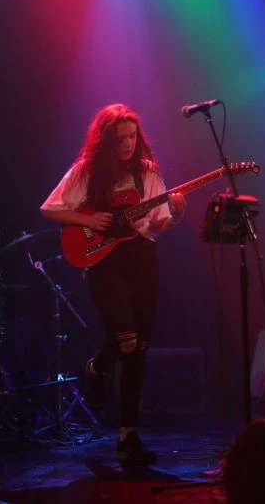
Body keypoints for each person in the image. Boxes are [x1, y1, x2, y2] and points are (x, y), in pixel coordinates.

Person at [40, 103, 186, 462]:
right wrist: (91, 220)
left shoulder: (148, 172)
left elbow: (156, 226)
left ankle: (127, 434)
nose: (128, 144)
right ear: (106, 140)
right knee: (126, 338)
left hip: (141, 258)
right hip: (104, 261)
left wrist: (177, 216)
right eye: (120, 138)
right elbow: (49, 209)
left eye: (132, 136)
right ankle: (98, 369)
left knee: (139, 345)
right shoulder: (87, 171)